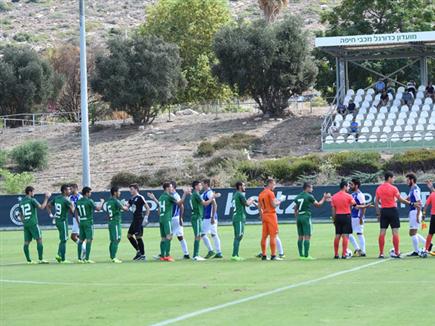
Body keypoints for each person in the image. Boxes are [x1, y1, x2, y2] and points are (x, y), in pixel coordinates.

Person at [148, 182, 189, 262]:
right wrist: (184, 194)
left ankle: (162, 255)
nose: (172, 189)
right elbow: (180, 203)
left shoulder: (161, 197)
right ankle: (167, 255)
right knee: (169, 236)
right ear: (167, 188)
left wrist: (153, 198)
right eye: (170, 187)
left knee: (163, 238)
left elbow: (160, 207)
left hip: (161, 219)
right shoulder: (170, 196)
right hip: (167, 219)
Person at [375, 172, 410, 258]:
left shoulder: (379, 188)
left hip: (384, 211)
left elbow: (376, 202)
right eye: (393, 178)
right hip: (393, 211)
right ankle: (397, 252)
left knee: (382, 232)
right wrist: (411, 203)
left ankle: (381, 253)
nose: (394, 179)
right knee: (395, 232)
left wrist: (378, 214)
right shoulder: (394, 188)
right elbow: (400, 200)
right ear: (389, 178)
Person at [293, 182, 329, 260]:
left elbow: (295, 209)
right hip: (306, 216)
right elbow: (318, 205)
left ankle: (301, 255)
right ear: (307, 188)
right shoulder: (309, 196)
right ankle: (306, 256)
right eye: (311, 187)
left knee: (300, 236)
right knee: (307, 236)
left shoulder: (298, 196)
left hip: (299, 217)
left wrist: (296, 219)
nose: (312, 189)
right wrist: (324, 198)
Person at [19, 186, 51, 264]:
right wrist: (46, 198)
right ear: (30, 192)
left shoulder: (21, 202)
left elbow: (20, 215)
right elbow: (42, 207)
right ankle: (41, 259)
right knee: (39, 239)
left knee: (26, 242)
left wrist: (24, 222)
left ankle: (29, 260)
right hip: (33, 223)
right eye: (33, 192)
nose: (34, 193)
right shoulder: (32, 200)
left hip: (26, 224)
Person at [190, 180, 219, 261]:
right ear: (196, 186)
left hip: (197, 217)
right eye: (199, 185)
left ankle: (198, 254)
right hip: (197, 217)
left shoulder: (196, 194)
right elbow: (205, 203)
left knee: (200, 235)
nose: (201, 186)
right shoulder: (196, 194)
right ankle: (195, 255)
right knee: (198, 236)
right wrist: (212, 198)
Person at [76, 187, 104, 263]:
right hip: (88, 222)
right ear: (87, 193)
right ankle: (87, 259)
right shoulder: (89, 201)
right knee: (89, 240)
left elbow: (76, 212)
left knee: (81, 240)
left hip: (81, 221)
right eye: (90, 192)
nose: (90, 194)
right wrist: (102, 202)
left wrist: (78, 222)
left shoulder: (78, 201)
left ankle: (79, 258)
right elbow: (98, 209)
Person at [47, 184, 74, 263]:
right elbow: (72, 212)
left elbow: (48, 206)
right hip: (62, 221)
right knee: (64, 239)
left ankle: (59, 255)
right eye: (68, 190)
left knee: (63, 239)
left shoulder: (57, 198)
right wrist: (72, 206)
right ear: (64, 191)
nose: (70, 191)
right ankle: (63, 259)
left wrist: (51, 215)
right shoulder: (66, 200)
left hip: (57, 221)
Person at [331, 181, 356, 259]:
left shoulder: (334, 196)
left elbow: (333, 210)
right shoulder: (349, 196)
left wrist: (334, 220)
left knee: (337, 235)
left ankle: (336, 254)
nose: (349, 188)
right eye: (348, 186)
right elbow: (355, 205)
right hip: (346, 216)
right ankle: (344, 254)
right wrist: (365, 206)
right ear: (344, 187)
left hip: (338, 217)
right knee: (345, 235)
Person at [258, 179, 282, 261]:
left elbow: (259, 207)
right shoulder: (270, 193)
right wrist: (280, 201)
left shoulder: (261, 194)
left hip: (264, 215)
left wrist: (261, 216)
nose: (274, 186)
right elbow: (274, 205)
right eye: (274, 184)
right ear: (270, 183)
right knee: (273, 235)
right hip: (271, 215)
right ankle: (273, 255)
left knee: (264, 236)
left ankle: (264, 255)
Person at [231, 181, 255, 261]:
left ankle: (236, 254)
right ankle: (234, 255)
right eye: (244, 185)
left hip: (236, 217)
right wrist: (251, 200)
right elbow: (247, 204)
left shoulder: (236, 195)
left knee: (237, 236)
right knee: (239, 236)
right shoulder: (240, 194)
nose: (245, 187)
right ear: (240, 186)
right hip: (239, 218)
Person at [126, 184, 150, 261]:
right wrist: (123, 205)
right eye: (130, 189)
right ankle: (138, 251)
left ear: (136, 189)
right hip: (134, 220)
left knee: (138, 237)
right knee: (129, 235)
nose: (130, 191)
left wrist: (146, 218)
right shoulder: (131, 199)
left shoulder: (140, 197)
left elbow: (147, 208)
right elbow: (126, 208)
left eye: (132, 189)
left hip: (139, 219)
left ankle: (142, 255)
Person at [105, 186, 129, 263]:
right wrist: (127, 205)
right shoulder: (115, 201)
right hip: (115, 223)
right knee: (116, 239)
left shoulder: (109, 201)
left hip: (111, 222)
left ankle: (112, 256)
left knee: (113, 240)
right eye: (119, 191)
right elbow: (125, 209)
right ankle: (114, 257)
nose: (120, 193)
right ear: (115, 193)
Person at [405, 173, 426, 256]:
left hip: (415, 212)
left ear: (412, 180)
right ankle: (428, 244)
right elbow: (406, 199)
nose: (406, 182)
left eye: (407, 180)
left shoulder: (415, 189)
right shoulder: (412, 189)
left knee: (412, 233)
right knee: (413, 232)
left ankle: (417, 251)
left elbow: (419, 203)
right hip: (413, 212)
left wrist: (417, 215)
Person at [201, 179, 223, 259]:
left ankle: (211, 250)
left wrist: (213, 217)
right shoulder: (205, 193)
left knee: (202, 234)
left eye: (202, 184)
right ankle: (219, 252)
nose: (201, 185)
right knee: (214, 234)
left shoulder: (209, 193)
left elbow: (214, 204)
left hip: (209, 217)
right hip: (208, 216)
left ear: (206, 184)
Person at [170, 181, 190, 259]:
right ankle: (186, 254)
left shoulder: (176, 195)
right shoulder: (171, 195)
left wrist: (180, 218)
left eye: (171, 187)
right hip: (173, 218)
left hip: (175, 218)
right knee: (180, 236)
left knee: (170, 236)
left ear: (174, 188)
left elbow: (181, 206)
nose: (169, 188)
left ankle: (164, 253)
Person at [349, 179, 367, 256]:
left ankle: (361, 250)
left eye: (352, 184)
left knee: (358, 233)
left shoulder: (360, 195)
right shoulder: (352, 194)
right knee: (349, 233)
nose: (350, 186)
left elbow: (363, 207)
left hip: (357, 217)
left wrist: (361, 218)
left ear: (356, 185)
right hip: (352, 217)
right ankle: (359, 250)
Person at [69, 184, 85, 259]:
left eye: (71, 189)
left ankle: (84, 248)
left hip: (78, 217)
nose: (70, 190)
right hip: (74, 218)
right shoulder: (70, 197)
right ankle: (84, 248)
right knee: (79, 236)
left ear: (76, 188)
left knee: (73, 236)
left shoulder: (81, 197)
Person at [423, 182, 435, 255]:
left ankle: (426, 249)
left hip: (433, 217)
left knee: (430, 233)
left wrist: (423, 214)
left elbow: (426, 205)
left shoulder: (432, 195)